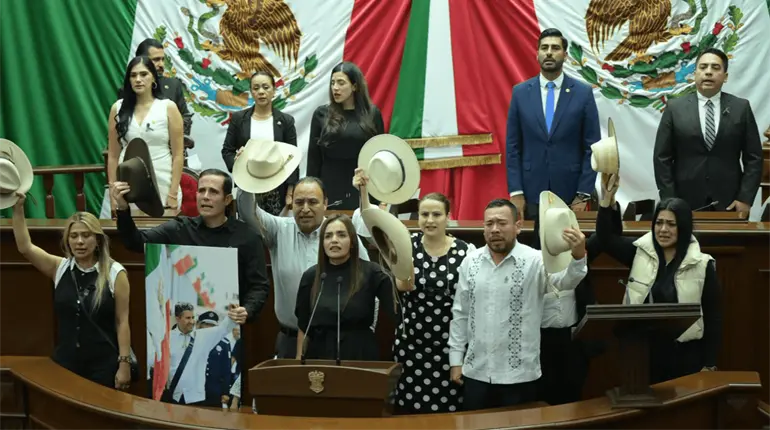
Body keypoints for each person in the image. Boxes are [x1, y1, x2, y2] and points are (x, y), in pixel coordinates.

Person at [448, 199, 587, 411]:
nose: (495, 229)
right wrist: (456, 360)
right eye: (489, 224)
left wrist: (578, 256)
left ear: (518, 226)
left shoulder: (535, 260)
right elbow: (461, 313)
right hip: (476, 371)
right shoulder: (470, 261)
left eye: (502, 223)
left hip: (520, 375)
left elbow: (565, 282)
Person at [353, 169, 474, 413]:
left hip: (450, 348)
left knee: (449, 412)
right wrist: (364, 192)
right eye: (424, 214)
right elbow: (370, 224)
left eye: (436, 214)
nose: (430, 220)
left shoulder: (466, 251)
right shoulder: (405, 242)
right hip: (411, 346)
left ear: (448, 217)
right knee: (409, 412)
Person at [597, 173, 722, 383]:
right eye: (659, 223)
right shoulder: (638, 252)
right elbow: (605, 238)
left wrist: (709, 364)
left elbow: (714, 318)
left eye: (671, 224)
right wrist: (606, 200)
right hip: (643, 354)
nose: (663, 230)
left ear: (683, 227)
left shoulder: (703, 264)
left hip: (686, 356)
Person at [110, 168, 269, 325]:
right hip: (182, 325)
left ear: (227, 200)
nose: (205, 197)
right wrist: (123, 209)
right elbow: (135, 242)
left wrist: (247, 309)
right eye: (201, 191)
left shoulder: (247, 237)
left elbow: (259, 285)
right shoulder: (179, 229)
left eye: (213, 192)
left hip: (228, 328)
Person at [236, 176, 370, 359]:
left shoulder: (341, 235)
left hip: (337, 343)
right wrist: (246, 173)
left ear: (325, 204)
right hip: (290, 341)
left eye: (313, 202)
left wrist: (368, 330)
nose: (305, 209)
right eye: (299, 202)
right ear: (292, 203)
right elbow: (247, 212)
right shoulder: (278, 230)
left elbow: (368, 283)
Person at [11, 194, 132, 390]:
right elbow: (25, 247)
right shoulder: (59, 268)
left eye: (86, 235)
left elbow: (122, 321)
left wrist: (124, 364)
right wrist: (18, 209)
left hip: (103, 366)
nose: (80, 242)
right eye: (74, 236)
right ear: (67, 241)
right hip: (65, 364)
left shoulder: (115, 273)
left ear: (98, 240)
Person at [506, 28, 600, 220]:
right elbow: (513, 147)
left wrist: (583, 194)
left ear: (565, 56)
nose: (549, 52)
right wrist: (516, 192)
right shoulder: (520, 93)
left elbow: (592, 148)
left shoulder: (582, 93)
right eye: (544, 48)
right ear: (537, 54)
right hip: (531, 193)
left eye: (555, 48)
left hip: (570, 194)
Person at [653, 47, 762, 212]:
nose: (708, 72)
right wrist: (670, 201)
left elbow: (754, 158)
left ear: (725, 77)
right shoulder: (675, 108)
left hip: (730, 202)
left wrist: (745, 199)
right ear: (694, 74)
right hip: (683, 202)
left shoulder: (741, 108)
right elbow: (662, 158)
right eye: (703, 67)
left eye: (715, 68)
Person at [295, 214, 397, 360]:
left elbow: (395, 310)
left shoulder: (371, 272)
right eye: (328, 236)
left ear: (352, 242)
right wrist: (299, 359)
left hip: (359, 353)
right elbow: (303, 326)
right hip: (320, 353)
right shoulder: (311, 276)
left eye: (341, 235)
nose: (334, 240)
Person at [107, 56, 184, 214]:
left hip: (163, 181)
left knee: (161, 235)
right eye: (133, 75)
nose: (138, 79)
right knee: (130, 235)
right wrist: (113, 192)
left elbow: (178, 155)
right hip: (128, 182)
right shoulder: (118, 108)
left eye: (144, 74)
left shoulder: (168, 107)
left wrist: (173, 193)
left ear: (153, 77)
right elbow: (113, 156)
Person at [307, 61, 385, 210]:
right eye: (333, 83)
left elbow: (380, 156)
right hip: (330, 187)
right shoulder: (321, 114)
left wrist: (382, 198)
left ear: (354, 86)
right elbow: (313, 160)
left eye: (341, 83)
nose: (335, 88)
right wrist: (312, 194)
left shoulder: (372, 114)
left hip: (363, 186)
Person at [221, 71, 299, 215]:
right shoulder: (239, 119)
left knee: (275, 232)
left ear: (274, 91)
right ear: (251, 92)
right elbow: (227, 151)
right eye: (256, 88)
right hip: (247, 186)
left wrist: (290, 191)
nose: (261, 92)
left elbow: (292, 157)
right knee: (248, 231)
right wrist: (237, 164)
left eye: (265, 87)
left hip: (277, 189)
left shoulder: (286, 121)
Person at [160, 302, 239, 405]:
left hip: (195, 398)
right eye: (188, 318)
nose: (192, 321)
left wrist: (232, 314)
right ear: (178, 318)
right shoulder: (167, 338)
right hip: (173, 396)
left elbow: (223, 329)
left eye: (193, 317)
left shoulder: (203, 336)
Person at [126, 38, 193, 137]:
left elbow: (185, 117)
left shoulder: (173, 85)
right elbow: (121, 122)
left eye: (162, 59)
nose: (161, 64)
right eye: (156, 60)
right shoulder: (128, 90)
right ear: (141, 60)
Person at [199, 311, 233, 408]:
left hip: (214, 389)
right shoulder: (194, 341)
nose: (209, 327)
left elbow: (226, 369)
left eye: (212, 325)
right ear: (201, 326)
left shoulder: (224, 343)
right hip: (196, 389)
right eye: (207, 324)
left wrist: (225, 392)